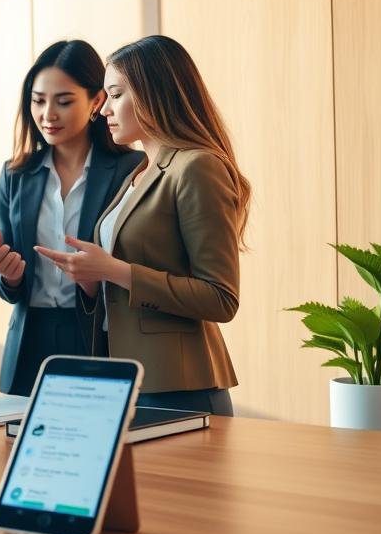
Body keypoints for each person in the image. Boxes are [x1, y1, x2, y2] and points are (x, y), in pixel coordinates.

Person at [35, 35, 251, 415]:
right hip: (123, 381)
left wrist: (116, 271)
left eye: (115, 94)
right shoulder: (140, 172)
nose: (104, 111)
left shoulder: (197, 167)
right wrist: (91, 281)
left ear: (154, 94)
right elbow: (122, 282)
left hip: (179, 387)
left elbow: (221, 297)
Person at [0, 40, 144, 395]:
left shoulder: (130, 169)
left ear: (96, 102)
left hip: (96, 334)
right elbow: (7, 285)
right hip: (30, 339)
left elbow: (136, 263)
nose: (48, 115)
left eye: (63, 101)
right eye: (38, 100)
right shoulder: (15, 174)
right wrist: (9, 278)